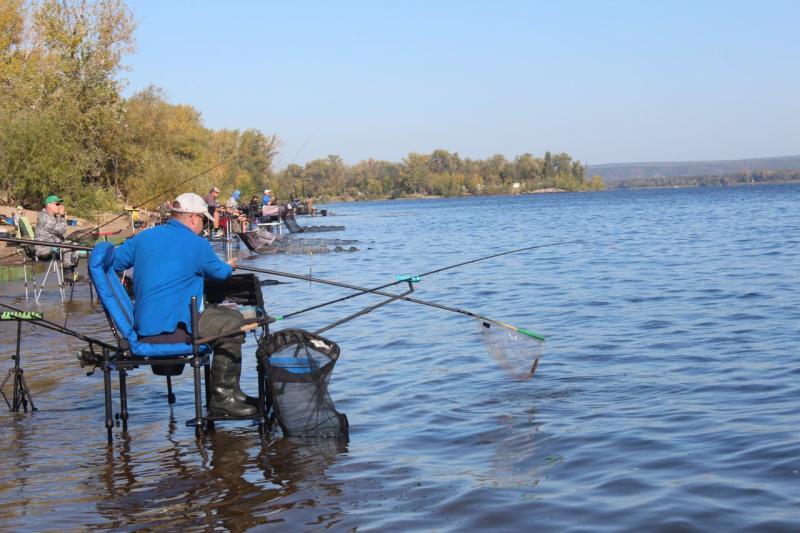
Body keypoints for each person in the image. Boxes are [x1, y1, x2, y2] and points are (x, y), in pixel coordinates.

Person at [111, 192, 257, 418]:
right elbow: (219, 274)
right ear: (193, 219)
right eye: (204, 221)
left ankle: (232, 394)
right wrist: (229, 266)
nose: (204, 226)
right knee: (233, 322)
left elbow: (115, 263)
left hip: (143, 330)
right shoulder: (196, 244)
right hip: (175, 332)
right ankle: (223, 398)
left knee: (216, 316)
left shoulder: (143, 237)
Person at [34, 194, 82, 282]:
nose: (60, 206)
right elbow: (62, 230)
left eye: (60, 204)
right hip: (44, 249)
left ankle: (70, 272)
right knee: (69, 246)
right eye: (57, 204)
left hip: (53, 246)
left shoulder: (52, 217)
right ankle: (68, 274)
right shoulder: (45, 218)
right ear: (48, 205)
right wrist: (63, 216)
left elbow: (59, 231)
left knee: (75, 244)